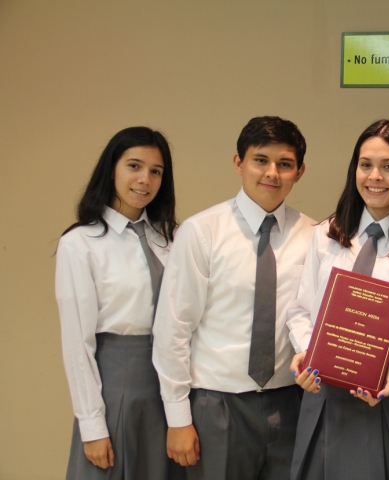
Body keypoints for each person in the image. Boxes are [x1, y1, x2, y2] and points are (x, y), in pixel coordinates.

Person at [152, 116, 314, 480]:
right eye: (260, 160)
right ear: (238, 163)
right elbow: (173, 329)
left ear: (299, 172)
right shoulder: (201, 231)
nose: (272, 173)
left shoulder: (315, 236)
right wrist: (178, 418)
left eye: (284, 164)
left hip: (291, 402)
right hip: (218, 404)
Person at [287, 119, 389, 480]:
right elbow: (300, 310)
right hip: (323, 388)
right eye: (365, 165)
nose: (375, 177)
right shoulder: (325, 235)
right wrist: (308, 352)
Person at [56, 126, 183, 479]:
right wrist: (91, 425)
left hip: (170, 389)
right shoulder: (80, 243)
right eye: (134, 166)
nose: (145, 180)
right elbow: (76, 344)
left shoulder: (171, 239)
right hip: (116, 386)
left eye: (156, 172)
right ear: (111, 168)